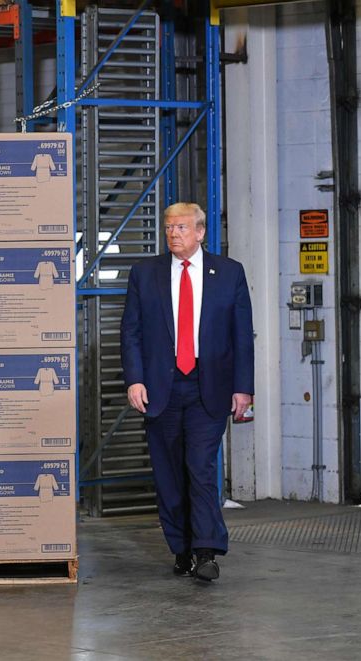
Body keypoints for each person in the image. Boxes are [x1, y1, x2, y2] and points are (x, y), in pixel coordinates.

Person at [120, 202, 254, 582]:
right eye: (168, 228)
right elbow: (131, 332)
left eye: (180, 227)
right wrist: (135, 379)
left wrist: (244, 389)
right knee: (169, 474)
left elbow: (242, 336)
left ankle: (207, 550)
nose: (173, 234)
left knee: (200, 466)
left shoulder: (228, 273)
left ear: (200, 232)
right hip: (161, 389)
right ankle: (181, 547)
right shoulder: (145, 274)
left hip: (207, 388)